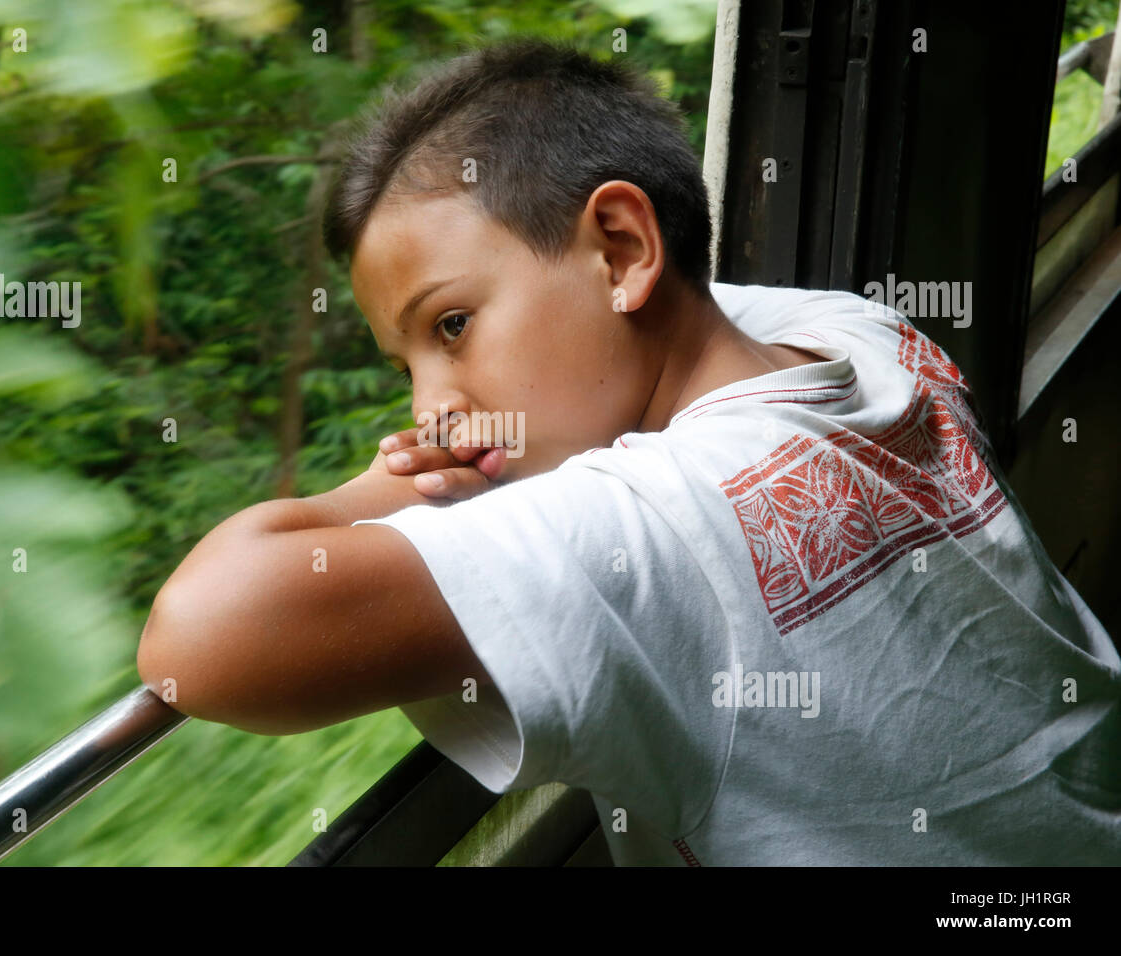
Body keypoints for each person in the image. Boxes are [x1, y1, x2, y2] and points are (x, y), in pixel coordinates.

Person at [136, 37, 1121, 865]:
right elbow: (704, 304)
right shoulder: (857, 336)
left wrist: (383, 485)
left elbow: (201, 638)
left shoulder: (655, 529)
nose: (432, 411)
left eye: (448, 328)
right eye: (405, 372)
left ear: (619, 248)